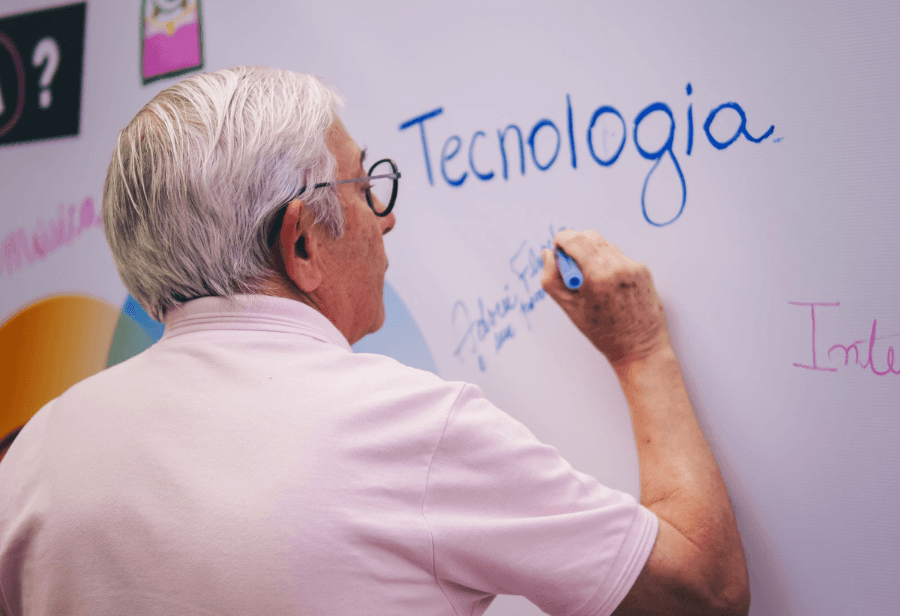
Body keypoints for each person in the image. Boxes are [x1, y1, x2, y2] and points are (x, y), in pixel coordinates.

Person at [0, 66, 749, 616]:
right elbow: (703, 593)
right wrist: (640, 350)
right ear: (302, 244)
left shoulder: (37, 451)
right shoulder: (411, 430)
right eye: (366, 189)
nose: (386, 219)